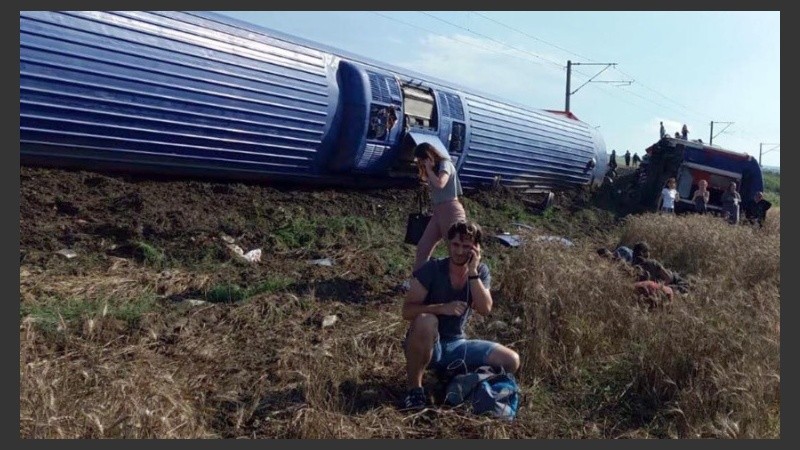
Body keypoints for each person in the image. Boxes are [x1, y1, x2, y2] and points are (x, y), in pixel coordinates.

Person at [401, 221, 520, 410]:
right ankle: (414, 390)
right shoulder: (432, 269)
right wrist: (441, 308)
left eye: (466, 246)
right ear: (449, 244)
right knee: (426, 320)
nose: (458, 251)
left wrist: (472, 272)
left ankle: (456, 380)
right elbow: (407, 311)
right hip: (429, 342)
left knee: (511, 360)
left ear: (476, 248)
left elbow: (485, 309)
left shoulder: (480, 271)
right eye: (455, 245)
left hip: (458, 344)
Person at [412, 142, 466, 271]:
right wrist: (427, 170)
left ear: (428, 156)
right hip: (438, 212)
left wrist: (429, 169)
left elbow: (440, 183)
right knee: (423, 247)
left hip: (451, 210)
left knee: (456, 248)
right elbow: (427, 181)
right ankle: (418, 280)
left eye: (422, 160)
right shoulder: (434, 169)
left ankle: (465, 280)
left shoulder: (445, 164)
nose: (421, 163)